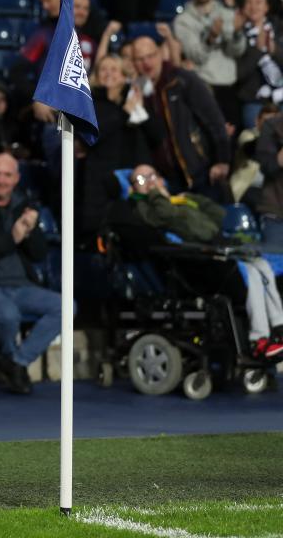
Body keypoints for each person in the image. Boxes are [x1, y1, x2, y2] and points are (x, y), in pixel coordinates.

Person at [126, 163, 283, 360]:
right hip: (199, 258)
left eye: (152, 176)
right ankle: (258, 339)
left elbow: (218, 215)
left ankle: (278, 327)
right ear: (133, 187)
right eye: (142, 179)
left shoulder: (179, 200)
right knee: (249, 272)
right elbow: (167, 216)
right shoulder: (144, 207)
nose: (149, 182)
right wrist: (158, 195)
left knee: (263, 266)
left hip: (219, 242)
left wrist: (190, 199)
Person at [0, 152, 68, 394]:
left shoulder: (23, 206)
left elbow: (38, 254)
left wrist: (32, 229)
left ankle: (16, 362)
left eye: (7, 175)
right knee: (7, 314)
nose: (1, 180)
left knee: (66, 306)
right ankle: (11, 361)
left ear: (16, 179)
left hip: (22, 285)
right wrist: (12, 238)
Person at [131, 35, 230, 196]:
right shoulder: (137, 92)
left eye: (150, 56)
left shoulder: (182, 80)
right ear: (134, 63)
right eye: (140, 59)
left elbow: (213, 119)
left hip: (202, 172)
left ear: (160, 55)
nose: (146, 63)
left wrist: (222, 160)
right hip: (168, 181)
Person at [78, 54, 157, 240]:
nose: (108, 74)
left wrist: (140, 110)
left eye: (114, 69)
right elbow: (91, 136)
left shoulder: (133, 101)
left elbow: (156, 137)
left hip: (130, 180)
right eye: (103, 69)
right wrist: (124, 114)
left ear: (123, 75)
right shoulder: (89, 102)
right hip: (98, 184)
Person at [173, 0, 246, 129]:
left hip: (228, 87)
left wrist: (236, 33)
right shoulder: (183, 21)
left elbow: (237, 51)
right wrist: (211, 38)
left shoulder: (228, 13)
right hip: (201, 87)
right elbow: (195, 55)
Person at [237, 0, 283, 130]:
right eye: (249, 2)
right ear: (243, 8)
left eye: (258, 2)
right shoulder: (237, 34)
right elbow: (238, 74)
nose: (253, 7)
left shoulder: (279, 28)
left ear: (267, 7)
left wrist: (274, 50)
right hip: (254, 100)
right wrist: (257, 50)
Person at [256, 112, 283, 245]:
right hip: (276, 213)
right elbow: (265, 166)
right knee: (273, 262)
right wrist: (279, 159)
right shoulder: (273, 125)